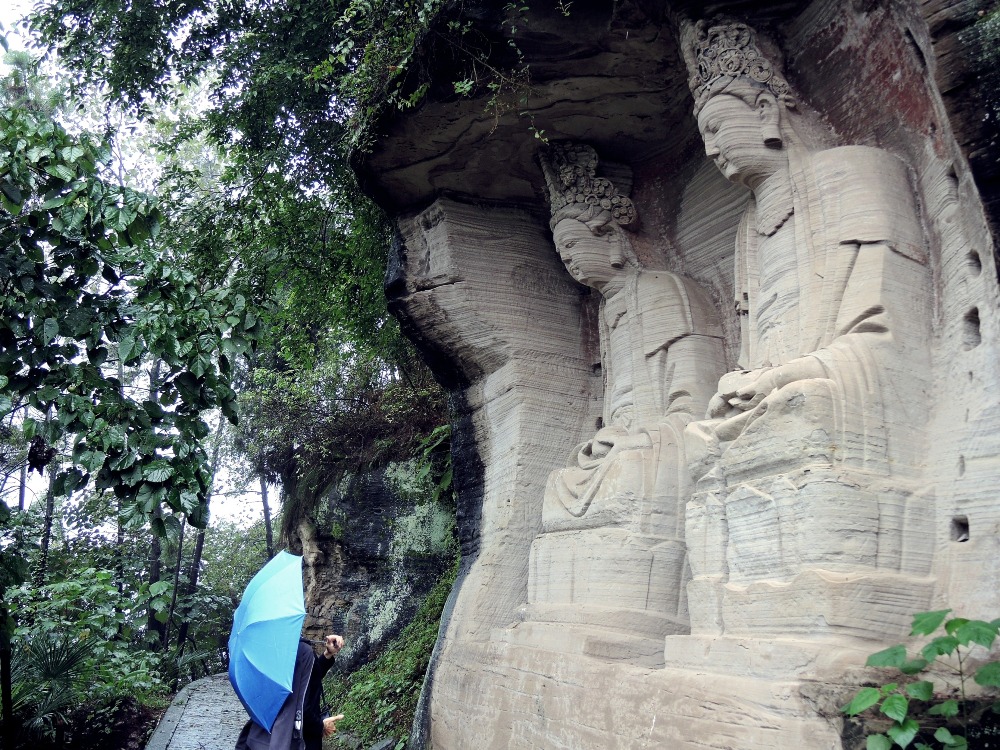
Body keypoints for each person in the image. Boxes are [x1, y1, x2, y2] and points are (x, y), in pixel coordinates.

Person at [236, 634, 345, 750]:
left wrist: (327, 654)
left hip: (264, 734)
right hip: (296, 738)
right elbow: (303, 709)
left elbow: (308, 680)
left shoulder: (267, 649)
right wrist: (320, 726)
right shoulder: (302, 651)